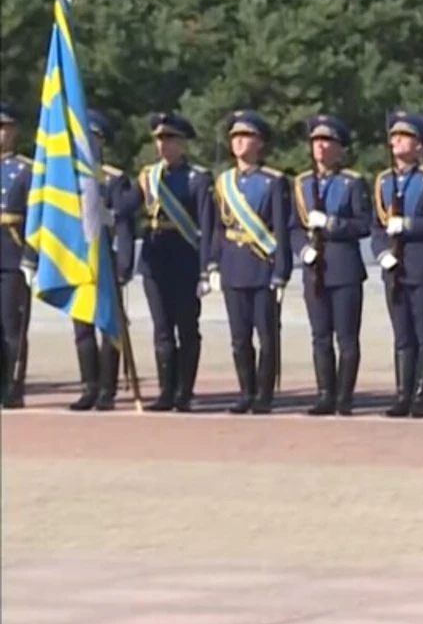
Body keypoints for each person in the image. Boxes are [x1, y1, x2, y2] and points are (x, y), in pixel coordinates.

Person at [203, 110, 292, 415]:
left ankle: (264, 395)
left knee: (267, 336)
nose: (239, 142)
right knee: (239, 337)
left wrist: (281, 272)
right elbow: (216, 227)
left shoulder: (274, 182)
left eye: (246, 136)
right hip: (233, 266)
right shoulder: (223, 182)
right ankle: (246, 392)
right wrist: (212, 264)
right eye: (235, 137)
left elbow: (281, 229)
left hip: (262, 264)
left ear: (259, 143)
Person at [372, 111, 423, 419]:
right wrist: (381, 253)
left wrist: (407, 225)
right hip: (395, 266)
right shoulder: (383, 180)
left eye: (404, 137)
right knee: (402, 333)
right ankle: (402, 393)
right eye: (393, 136)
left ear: (421, 146)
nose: (396, 141)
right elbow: (376, 225)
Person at [290, 115, 372, 416]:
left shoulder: (352, 182)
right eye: (315, 142)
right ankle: (325, 393)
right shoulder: (301, 184)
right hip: (315, 267)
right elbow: (293, 227)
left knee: (346, 336)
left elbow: (364, 223)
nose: (320, 147)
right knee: (320, 335)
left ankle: (345, 396)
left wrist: (334, 224)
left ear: (339, 148)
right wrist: (302, 250)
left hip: (344, 265)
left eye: (327, 142)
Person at [135, 112, 212, 412]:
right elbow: (130, 204)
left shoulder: (197, 178)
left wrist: (207, 268)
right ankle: (166, 391)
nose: (163, 145)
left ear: (183, 144)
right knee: (162, 327)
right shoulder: (148, 176)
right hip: (155, 260)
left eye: (169, 139)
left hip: (185, 258)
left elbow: (206, 225)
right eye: (159, 139)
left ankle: (185, 392)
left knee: (186, 327)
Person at [65, 120, 139, 411]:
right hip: (78, 260)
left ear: (101, 141)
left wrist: (123, 264)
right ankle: (89, 386)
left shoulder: (113, 179)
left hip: (106, 259)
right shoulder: (67, 178)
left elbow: (124, 225)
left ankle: (107, 389)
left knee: (110, 326)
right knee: (82, 327)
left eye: (93, 137)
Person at [0, 103, 35, 408]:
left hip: (12, 256)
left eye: (5, 129)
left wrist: (31, 257)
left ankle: (13, 386)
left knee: (12, 327)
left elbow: (37, 218)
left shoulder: (26, 170)